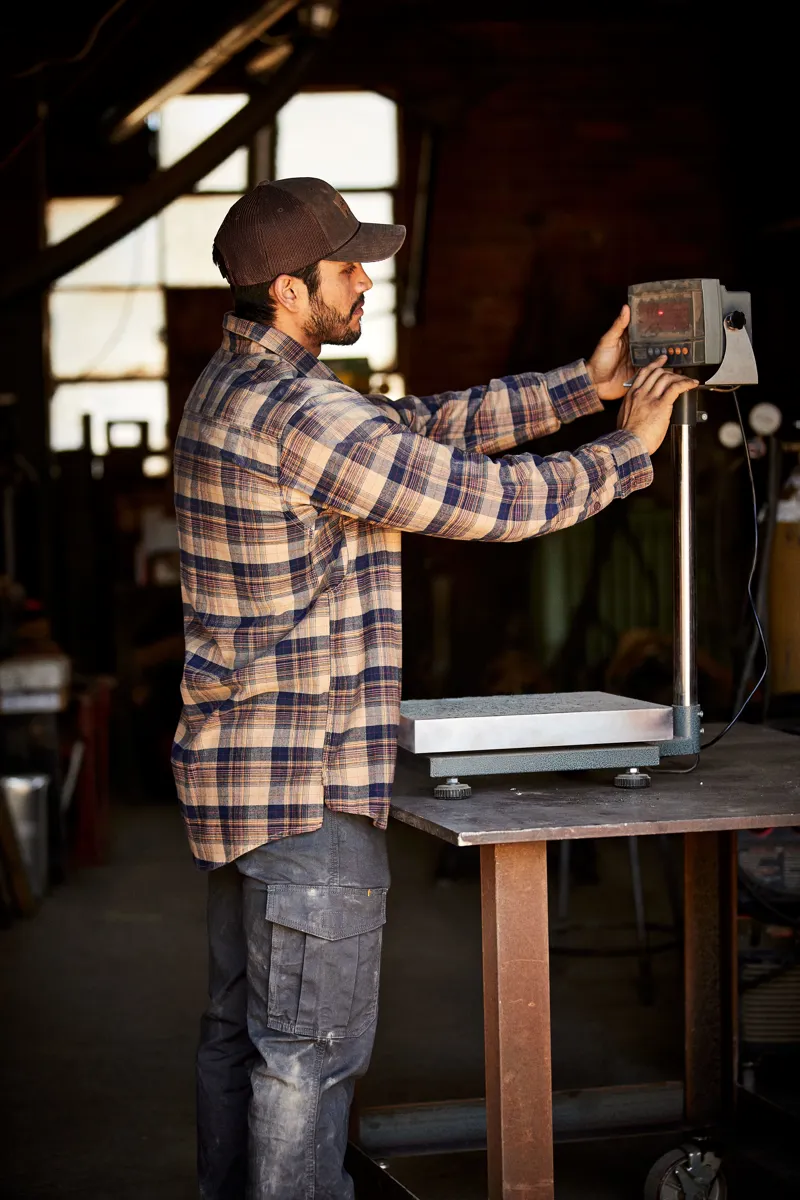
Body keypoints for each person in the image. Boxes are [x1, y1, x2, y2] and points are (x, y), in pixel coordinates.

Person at [172, 177, 698, 1200]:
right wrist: (625, 451)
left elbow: (412, 428)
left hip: (242, 785)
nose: (365, 279)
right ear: (288, 289)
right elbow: (474, 498)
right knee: (305, 1060)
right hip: (307, 790)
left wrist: (580, 387)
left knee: (239, 1042)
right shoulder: (298, 412)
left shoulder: (239, 384)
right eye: (345, 267)